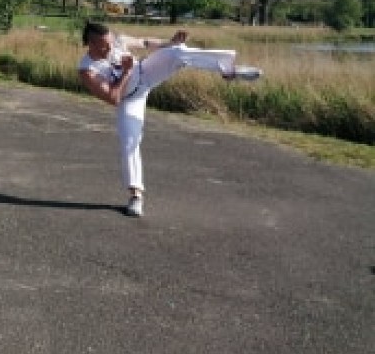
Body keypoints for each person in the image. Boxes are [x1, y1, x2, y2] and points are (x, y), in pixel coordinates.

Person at [78, 21, 262, 218]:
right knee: (129, 141)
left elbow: (146, 43)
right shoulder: (88, 69)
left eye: (111, 42)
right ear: (91, 44)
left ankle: (228, 70)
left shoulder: (118, 42)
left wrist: (169, 42)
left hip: (146, 72)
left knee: (177, 51)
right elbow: (113, 98)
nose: (110, 47)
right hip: (130, 98)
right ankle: (136, 196)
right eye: (105, 45)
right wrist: (125, 72)